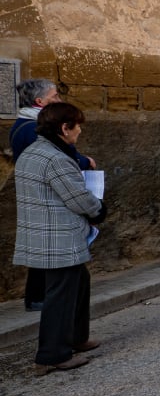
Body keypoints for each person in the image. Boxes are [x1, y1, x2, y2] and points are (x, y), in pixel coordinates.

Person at [13, 102, 106, 375]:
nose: (80, 132)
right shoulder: (56, 158)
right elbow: (78, 197)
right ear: (65, 128)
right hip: (57, 236)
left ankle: (76, 337)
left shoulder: (33, 151)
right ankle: (52, 355)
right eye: (77, 127)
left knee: (79, 283)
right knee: (61, 295)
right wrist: (99, 210)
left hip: (44, 232)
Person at [9, 79, 96, 312]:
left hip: (38, 191)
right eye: (54, 96)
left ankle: (39, 298)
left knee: (43, 248)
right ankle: (40, 298)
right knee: (47, 249)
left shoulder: (24, 124)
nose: (59, 99)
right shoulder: (33, 129)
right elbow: (56, 158)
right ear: (40, 101)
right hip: (45, 195)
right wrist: (83, 161)